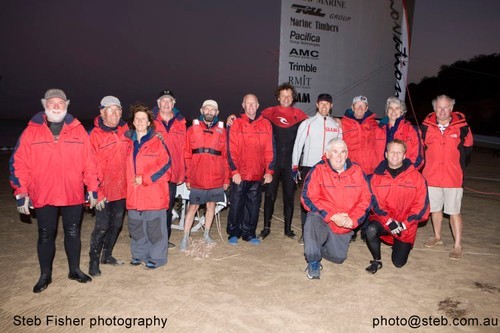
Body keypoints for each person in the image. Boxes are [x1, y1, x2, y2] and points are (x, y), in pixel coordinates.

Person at [9, 89, 98, 293]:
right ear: (44, 105)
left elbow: (90, 162)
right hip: (43, 193)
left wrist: (92, 188)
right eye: (51, 103)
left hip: (72, 193)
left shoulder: (78, 131)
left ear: (67, 104)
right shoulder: (31, 131)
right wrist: (21, 192)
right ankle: (45, 275)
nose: (56, 106)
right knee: (45, 234)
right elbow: (18, 164)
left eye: (60, 102)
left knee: (73, 232)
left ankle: (74, 270)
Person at [301, 138, 371, 279]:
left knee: (338, 258)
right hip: (324, 219)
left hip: (344, 223)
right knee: (312, 217)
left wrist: (353, 220)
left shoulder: (357, 171)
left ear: (347, 154)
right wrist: (332, 216)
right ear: (327, 154)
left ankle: (317, 245)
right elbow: (307, 198)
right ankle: (313, 260)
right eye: (335, 151)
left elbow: (366, 199)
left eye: (343, 152)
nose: (339, 156)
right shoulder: (318, 170)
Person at [365, 140, 430, 274]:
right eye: (392, 152)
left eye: (399, 152)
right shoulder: (376, 177)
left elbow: (422, 207)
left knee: (398, 263)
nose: (395, 155)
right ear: (386, 154)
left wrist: (404, 225)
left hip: (406, 226)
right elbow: (375, 204)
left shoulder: (417, 178)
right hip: (385, 221)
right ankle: (376, 260)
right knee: (370, 229)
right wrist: (389, 221)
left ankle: (398, 244)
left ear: (404, 155)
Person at [421, 95, 473, 260]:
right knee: (435, 209)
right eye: (439, 107)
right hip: (431, 177)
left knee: (453, 212)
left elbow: (468, 148)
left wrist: (456, 167)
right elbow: (421, 149)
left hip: (453, 178)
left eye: (446, 107)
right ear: (434, 109)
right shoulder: (425, 127)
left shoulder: (462, 127)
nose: (442, 111)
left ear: (451, 109)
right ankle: (437, 237)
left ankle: (457, 246)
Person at [258, 83, 308, 240]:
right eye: (283, 95)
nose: (286, 98)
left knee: (289, 196)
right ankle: (266, 228)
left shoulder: (300, 115)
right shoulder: (268, 113)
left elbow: (314, 128)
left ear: (293, 98)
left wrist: (334, 121)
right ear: (278, 97)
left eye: (289, 95)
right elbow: (251, 121)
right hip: (272, 162)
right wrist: (234, 118)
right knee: (270, 196)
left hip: (290, 164)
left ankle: (288, 229)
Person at [125, 103, 171, 269]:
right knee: (136, 227)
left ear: (149, 122)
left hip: (153, 193)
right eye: (137, 119)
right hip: (133, 194)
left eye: (143, 119)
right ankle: (138, 255)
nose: (140, 121)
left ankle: (157, 257)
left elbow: (166, 166)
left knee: (154, 228)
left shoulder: (157, 142)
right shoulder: (128, 142)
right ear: (133, 122)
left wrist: (145, 179)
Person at [292, 93, 342, 244]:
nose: (324, 106)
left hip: (328, 168)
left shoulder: (336, 126)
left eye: (327, 104)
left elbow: (341, 148)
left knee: (327, 201)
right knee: (307, 201)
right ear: (317, 105)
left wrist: (340, 168)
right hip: (309, 167)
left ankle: (323, 234)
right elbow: (297, 145)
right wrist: (295, 167)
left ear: (331, 106)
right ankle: (305, 233)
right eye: (322, 104)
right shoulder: (308, 123)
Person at [180, 99, 230, 252]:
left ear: (217, 112)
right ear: (202, 111)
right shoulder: (192, 129)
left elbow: (226, 157)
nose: (209, 112)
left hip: (216, 176)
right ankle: (185, 237)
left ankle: (206, 234)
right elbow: (186, 154)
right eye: (206, 109)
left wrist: (226, 178)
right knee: (192, 207)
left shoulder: (222, 131)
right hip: (197, 176)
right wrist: (187, 177)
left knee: (211, 206)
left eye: (212, 109)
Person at [87, 96, 128, 276]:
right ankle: (93, 261)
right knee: (102, 226)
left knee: (116, 224)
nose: (115, 113)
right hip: (102, 190)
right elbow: (88, 166)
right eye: (110, 110)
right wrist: (96, 191)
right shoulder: (93, 135)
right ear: (102, 112)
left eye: (118, 110)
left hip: (122, 189)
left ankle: (107, 255)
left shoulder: (126, 131)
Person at [226, 94, 274, 245]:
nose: (251, 106)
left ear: (258, 105)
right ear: (243, 105)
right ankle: (234, 232)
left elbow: (269, 149)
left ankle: (249, 233)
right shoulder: (236, 123)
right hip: (240, 174)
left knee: (253, 206)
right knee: (236, 204)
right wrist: (234, 172)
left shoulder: (266, 124)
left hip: (257, 174)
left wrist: (269, 171)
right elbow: (231, 149)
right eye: (248, 103)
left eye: (254, 103)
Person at [342, 95, 382, 242]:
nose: (359, 108)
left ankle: (365, 229)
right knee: (351, 201)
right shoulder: (343, 124)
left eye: (362, 106)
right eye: (357, 106)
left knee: (367, 202)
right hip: (352, 170)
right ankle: (351, 229)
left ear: (366, 108)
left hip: (370, 170)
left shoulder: (374, 124)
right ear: (352, 108)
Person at [153, 89, 186, 249]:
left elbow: (184, 150)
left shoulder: (181, 123)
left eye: (169, 101)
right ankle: (153, 240)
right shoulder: (149, 122)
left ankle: (164, 240)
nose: (166, 104)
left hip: (173, 174)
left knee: (167, 208)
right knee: (153, 208)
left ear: (173, 104)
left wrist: (183, 173)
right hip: (154, 176)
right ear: (158, 104)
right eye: (163, 101)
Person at [376, 97, 424, 170]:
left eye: (397, 108)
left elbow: (418, 158)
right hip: (383, 174)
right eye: (390, 108)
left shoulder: (412, 130)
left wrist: (407, 172)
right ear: (387, 111)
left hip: (405, 174)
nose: (393, 111)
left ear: (402, 112)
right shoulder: (378, 130)